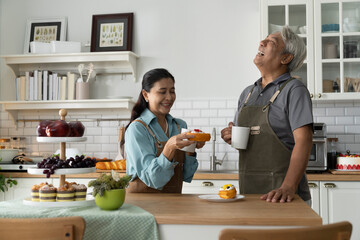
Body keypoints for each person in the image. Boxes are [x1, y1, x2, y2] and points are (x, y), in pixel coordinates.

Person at [221, 26, 313, 204]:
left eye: (271, 42)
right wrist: (232, 136)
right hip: (249, 194)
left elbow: (305, 140)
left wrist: (288, 187)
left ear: (285, 58)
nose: (261, 43)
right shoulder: (247, 93)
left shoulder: (294, 90)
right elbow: (250, 144)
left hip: (285, 197)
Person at [123, 68, 205, 193]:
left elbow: (187, 175)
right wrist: (169, 148)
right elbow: (154, 180)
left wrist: (190, 151)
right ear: (146, 94)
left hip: (173, 203)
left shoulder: (179, 125)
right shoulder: (137, 129)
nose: (169, 97)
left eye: (172, 91)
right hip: (142, 205)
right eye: (162, 92)